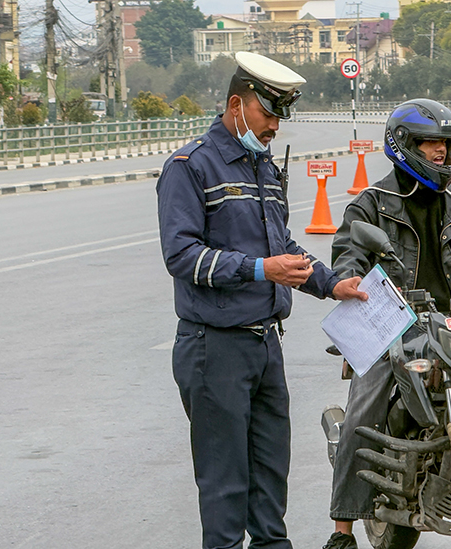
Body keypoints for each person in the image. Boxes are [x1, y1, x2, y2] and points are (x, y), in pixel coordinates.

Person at [156, 51, 366, 549]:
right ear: (236, 104)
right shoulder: (190, 167)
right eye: (268, 113)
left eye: (280, 116)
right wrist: (257, 270)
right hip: (214, 348)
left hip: (265, 346)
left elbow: (282, 248)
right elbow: (181, 256)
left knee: (271, 485)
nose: (274, 125)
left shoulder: (264, 168)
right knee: (226, 486)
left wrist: (331, 282)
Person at [323, 98, 451, 549]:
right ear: (404, 145)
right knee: (365, 409)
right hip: (395, 329)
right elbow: (348, 256)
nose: (440, 153)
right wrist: (349, 280)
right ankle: (343, 530)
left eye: (445, 144)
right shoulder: (372, 205)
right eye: (429, 143)